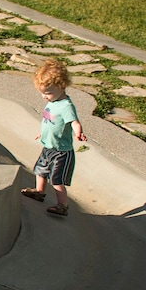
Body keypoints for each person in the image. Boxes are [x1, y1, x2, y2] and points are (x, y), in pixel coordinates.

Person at [22, 58, 87, 217]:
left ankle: (62, 205)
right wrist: (42, 133)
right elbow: (50, 121)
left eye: (48, 93)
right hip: (48, 146)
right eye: (42, 93)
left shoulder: (66, 106)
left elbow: (74, 122)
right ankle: (39, 192)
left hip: (62, 152)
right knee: (40, 171)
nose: (45, 97)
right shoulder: (52, 100)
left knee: (57, 181)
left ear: (62, 86)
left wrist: (78, 132)